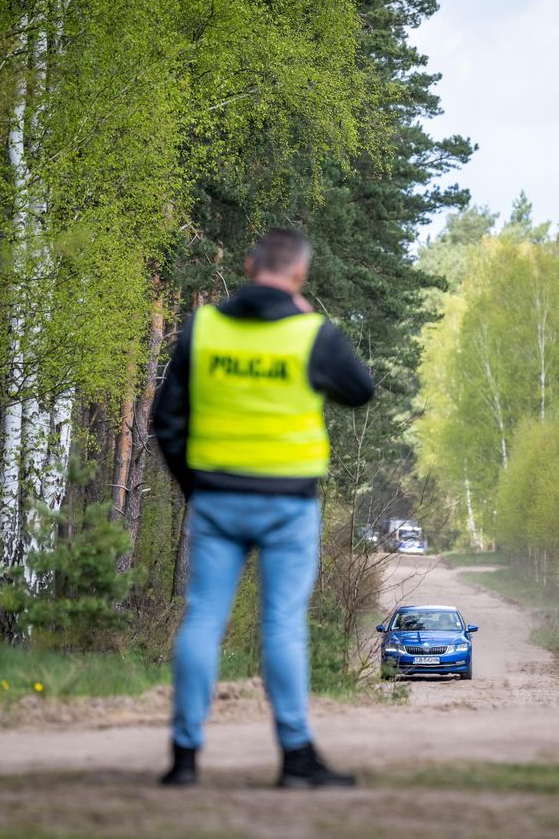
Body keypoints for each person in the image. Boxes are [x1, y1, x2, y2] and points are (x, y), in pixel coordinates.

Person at [152, 228, 375, 788]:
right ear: (298, 275)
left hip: (216, 499)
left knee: (204, 617)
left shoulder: (204, 327)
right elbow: (361, 389)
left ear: (250, 265)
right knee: (282, 626)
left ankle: (184, 757)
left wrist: (194, 486)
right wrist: (311, 319)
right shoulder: (310, 334)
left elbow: (165, 419)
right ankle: (296, 757)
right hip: (287, 505)